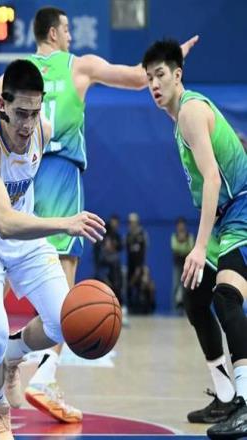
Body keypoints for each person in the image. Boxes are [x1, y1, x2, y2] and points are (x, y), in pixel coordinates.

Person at [0, 6, 199, 422]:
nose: (71, 36)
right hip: (57, 177)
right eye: (68, 30)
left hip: (24, 177)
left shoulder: (15, 80)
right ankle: (43, 375)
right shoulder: (79, 66)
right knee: (65, 278)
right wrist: (172, 59)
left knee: (2, 281)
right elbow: (138, 77)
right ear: (56, 33)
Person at [0, 59, 105, 440]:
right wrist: (64, 223)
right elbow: (3, 221)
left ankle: (14, 357)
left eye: (34, 112)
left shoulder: (42, 131)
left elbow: (19, 207)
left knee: (63, 324)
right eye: (20, 114)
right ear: (2, 104)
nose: (27, 124)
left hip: (23, 240)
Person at [143, 39, 247, 437]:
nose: (154, 84)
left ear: (178, 75)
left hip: (242, 208)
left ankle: (245, 402)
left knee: (226, 298)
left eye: (161, 75)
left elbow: (213, 179)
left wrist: (200, 247)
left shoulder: (189, 111)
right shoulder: (180, 118)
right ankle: (225, 395)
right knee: (195, 297)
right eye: (149, 78)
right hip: (225, 217)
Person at [126, 212, 149, 313]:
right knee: (129, 285)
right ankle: (130, 307)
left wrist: (140, 267)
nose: (131, 224)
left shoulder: (142, 235)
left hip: (139, 266)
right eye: (130, 222)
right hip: (130, 265)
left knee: (140, 285)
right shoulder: (128, 235)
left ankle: (141, 308)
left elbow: (143, 252)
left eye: (133, 222)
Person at [171, 217, 195, 312]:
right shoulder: (174, 236)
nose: (181, 226)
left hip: (187, 266)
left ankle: (186, 308)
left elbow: (190, 248)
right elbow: (175, 247)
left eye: (182, 224)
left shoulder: (190, 236)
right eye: (179, 225)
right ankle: (174, 309)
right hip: (177, 265)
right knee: (176, 285)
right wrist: (183, 247)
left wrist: (182, 245)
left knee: (186, 287)